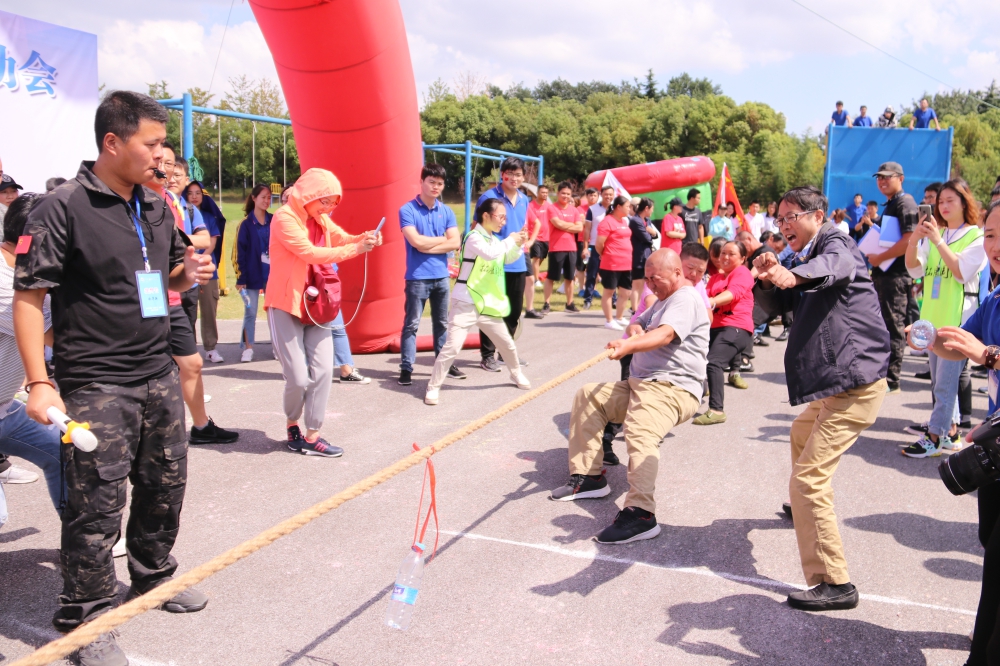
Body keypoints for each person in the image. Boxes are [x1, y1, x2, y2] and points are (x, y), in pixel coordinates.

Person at [13, 90, 216, 664]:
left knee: (164, 486)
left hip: (156, 373)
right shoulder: (62, 207)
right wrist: (39, 382)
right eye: (151, 144)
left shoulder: (153, 205)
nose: (161, 156)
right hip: (96, 383)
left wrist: (187, 273)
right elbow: (28, 298)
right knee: (96, 505)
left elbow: (167, 282)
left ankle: (154, 577)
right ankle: (85, 619)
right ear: (112, 142)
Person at [752, 185, 889, 612]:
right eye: (780, 218)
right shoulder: (803, 252)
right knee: (800, 432)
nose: (784, 225)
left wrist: (790, 274)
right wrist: (772, 269)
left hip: (855, 385)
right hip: (840, 385)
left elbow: (834, 266)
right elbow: (779, 294)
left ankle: (835, 582)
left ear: (818, 214)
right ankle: (804, 510)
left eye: (791, 216)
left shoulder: (837, 243)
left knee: (809, 479)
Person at [548, 248, 709, 545]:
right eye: (647, 278)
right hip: (642, 384)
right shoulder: (663, 299)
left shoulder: (685, 298)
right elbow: (638, 322)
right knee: (590, 395)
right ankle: (589, 476)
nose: (650, 285)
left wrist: (628, 347)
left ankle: (641, 514)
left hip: (671, 388)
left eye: (656, 278)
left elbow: (663, 335)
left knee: (640, 427)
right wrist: (634, 331)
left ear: (677, 273)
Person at [917, 200, 1000, 664]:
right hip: (994, 447)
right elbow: (959, 347)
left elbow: (981, 352)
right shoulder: (994, 297)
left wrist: (988, 355)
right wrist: (930, 339)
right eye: (989, 235)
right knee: (991, 544)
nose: (995, 246)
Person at [265, 168, 380, 457]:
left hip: (319, 303)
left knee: (322, 372)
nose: (328, 208)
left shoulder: (321, 218)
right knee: (298, 378)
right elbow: (309, 253)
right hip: (286, 302)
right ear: (309, 194)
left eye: (332, 203)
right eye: (324, 201)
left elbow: (342, 237)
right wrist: (355, 249)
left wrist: (364, 237)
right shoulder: (284, 218)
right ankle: (292, 424)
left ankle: (313, 435)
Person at [146, 146, 235, 447]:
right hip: (141, 301)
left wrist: (189, 263)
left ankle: (200, 426)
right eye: (159, 161)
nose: (164, 168)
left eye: (169, 163)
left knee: (192, 363)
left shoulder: (176, 203)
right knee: (151, 370)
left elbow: (200, 239)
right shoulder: (133, 200)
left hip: (170, 296)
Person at [902, 180, 985, 457]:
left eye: (951, 200)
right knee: (940, 382)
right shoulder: (937, 234)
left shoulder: (977, 236)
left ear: (965, 202)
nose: (944, 206)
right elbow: (914, 270)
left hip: (959, 322)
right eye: (941, 202)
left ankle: (934, 437)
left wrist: (937, 240)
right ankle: (950, 433)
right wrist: (916, 238)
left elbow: (961, 271)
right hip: (931, 319)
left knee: (945, 383)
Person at [425, 198, 529, 405]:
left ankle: (515, 373)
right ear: (486, 216)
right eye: (500, 217)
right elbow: (490, 255)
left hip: (488, 303)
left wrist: (518, 245)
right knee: (452, 347)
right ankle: (433, 387)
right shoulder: (473, 237)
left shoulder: (494, 239)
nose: (503, 221)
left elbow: (505, 258)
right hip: (465, 301)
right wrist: (510, 239)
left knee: (507, 343)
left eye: (505, 218)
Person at [0, 194, 63, 515]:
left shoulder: (24, 275)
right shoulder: (4, 282)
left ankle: (82, 546)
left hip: (4, 411)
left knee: (62, 452)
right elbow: (58, 337)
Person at [397, 163, 461, 386]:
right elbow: (415, 241)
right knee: (412, 324)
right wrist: (443, 241)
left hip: (441, 276)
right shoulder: (407, 210)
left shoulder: (446, 211)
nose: (435, 187)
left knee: (442, 323)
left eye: (440, 183)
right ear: (421, 182)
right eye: (431, 182)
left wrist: (428, 244)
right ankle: (406, 368)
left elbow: (456, 241)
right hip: (417, 276)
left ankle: (444, 364)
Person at [863, 161, 919, 394]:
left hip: (895, 276)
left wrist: (881, 256)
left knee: (893, 326)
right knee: (884, 325)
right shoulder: (893, 203)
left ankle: (892, 379)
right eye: (879, 177)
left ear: (901, 178)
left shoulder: (905, 203)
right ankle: (883, 374)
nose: (882, 181)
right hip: (885, 275)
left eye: (888, 177)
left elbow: (909, 240)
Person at [475, 157, 530, 370]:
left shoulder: (524, 199)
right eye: (510, 173)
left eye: (518, 174)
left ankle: (505, 353)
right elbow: (478, 228)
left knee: (514, 311)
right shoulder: (489, 197)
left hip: (517, 260)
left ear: (523, 177)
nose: (514, 178)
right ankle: (487, 355)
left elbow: (520, 225)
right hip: (494, 260)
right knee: (491, 309)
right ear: (502, 175)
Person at [694, 240, 755, 425]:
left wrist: (710, 301)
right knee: (698, 359)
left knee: (714, 362)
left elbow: (732, 294)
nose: (725, 257)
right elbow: (700, 297)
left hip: (736, 327)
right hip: (714, 328)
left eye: (731, 254)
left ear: (743, 258)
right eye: (723, 253)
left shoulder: (742, 273)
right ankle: (701, 389)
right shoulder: (715, 278)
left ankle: (716, 410)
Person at [185, 181, 224, 363]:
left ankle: (210, 348)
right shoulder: (181, 215)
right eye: (190, 193)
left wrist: (201, 259)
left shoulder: (209, 217)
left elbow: (212, 243)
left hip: (207, 270)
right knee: (187, 312)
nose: (194, 196)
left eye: (197, 193)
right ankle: (188, 349)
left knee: (209, 310)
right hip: (185, 271)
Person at [234, 184, 272, 363]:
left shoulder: (275, 220)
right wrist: (240, 277)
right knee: (250, 311)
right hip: (252, 274)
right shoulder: (246, 224)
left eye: (269, 197)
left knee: (275, 312)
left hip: (273, 274)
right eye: (263, 197)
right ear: (254, 198)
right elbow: (239, 252)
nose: (266, 201)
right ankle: (248, 348)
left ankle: (277, 347)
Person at [543, 181, 584, 313]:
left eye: (568, 194)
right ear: (557, 193)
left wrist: (564, 225)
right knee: (551, 277)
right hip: (556, 247)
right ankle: (546, 304)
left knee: (570, 277)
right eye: (563, 193)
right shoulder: (551, 208)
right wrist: (571, 226)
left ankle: (569, 304)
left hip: (571, 248)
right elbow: (557, 223)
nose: (565, 196)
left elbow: (580, 227)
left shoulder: (574, 210)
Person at [597, 196, 634, 330]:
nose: (629, 209)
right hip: (611, 263)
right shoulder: (607, 222)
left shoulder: (624, 221)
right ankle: (609, 320)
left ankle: (619, 317)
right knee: (609, 291)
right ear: (618, 207)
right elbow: (599, 243)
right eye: (627, 206)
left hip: (626, 263)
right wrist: (604, 254)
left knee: (626, 292)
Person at [583, 186, 614, 310]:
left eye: (611, 194)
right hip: (594, 246)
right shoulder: (592, 209)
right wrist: (585, 247)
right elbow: (587, 229)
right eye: (606, 194)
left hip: (611, 247)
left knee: (612, 274)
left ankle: (614, 299)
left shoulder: (616, 209)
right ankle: (587, 299)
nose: (608, 197)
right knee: (592, 273)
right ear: (601, 194)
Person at [524, 184, 553, 319]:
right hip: (535, 237)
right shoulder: (531, 205)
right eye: (542, 192)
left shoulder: (549, 206)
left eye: (547, 193)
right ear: (537, 193)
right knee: (536, 258)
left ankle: (535, 274)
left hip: (547, 237)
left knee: (540, 259)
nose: (545, 195)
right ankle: (536, 280)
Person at [629, 197, 658, 313]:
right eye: (652, 209)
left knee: (643, 283)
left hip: (646, 255)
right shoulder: (635, 221)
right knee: (637, 283)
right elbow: (647, 238)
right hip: (638, 255)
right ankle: (634, 309)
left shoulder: (647, 220)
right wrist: (650, 233)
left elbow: (655, 236)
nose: (652, 212)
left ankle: (638, 308)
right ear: (646, 208)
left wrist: (652, 232)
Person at [576, 187, 599, 298]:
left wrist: (586, 221)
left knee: (594, 267)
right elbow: (580, 222)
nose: (592, 197)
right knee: (581, 266)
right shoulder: (580, 209)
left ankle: (593, 288)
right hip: (582, 240)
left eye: (595, 195)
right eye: (590, 195)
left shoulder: (600, 209)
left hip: (596, 241)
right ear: (587, 196)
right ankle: (581, 288)